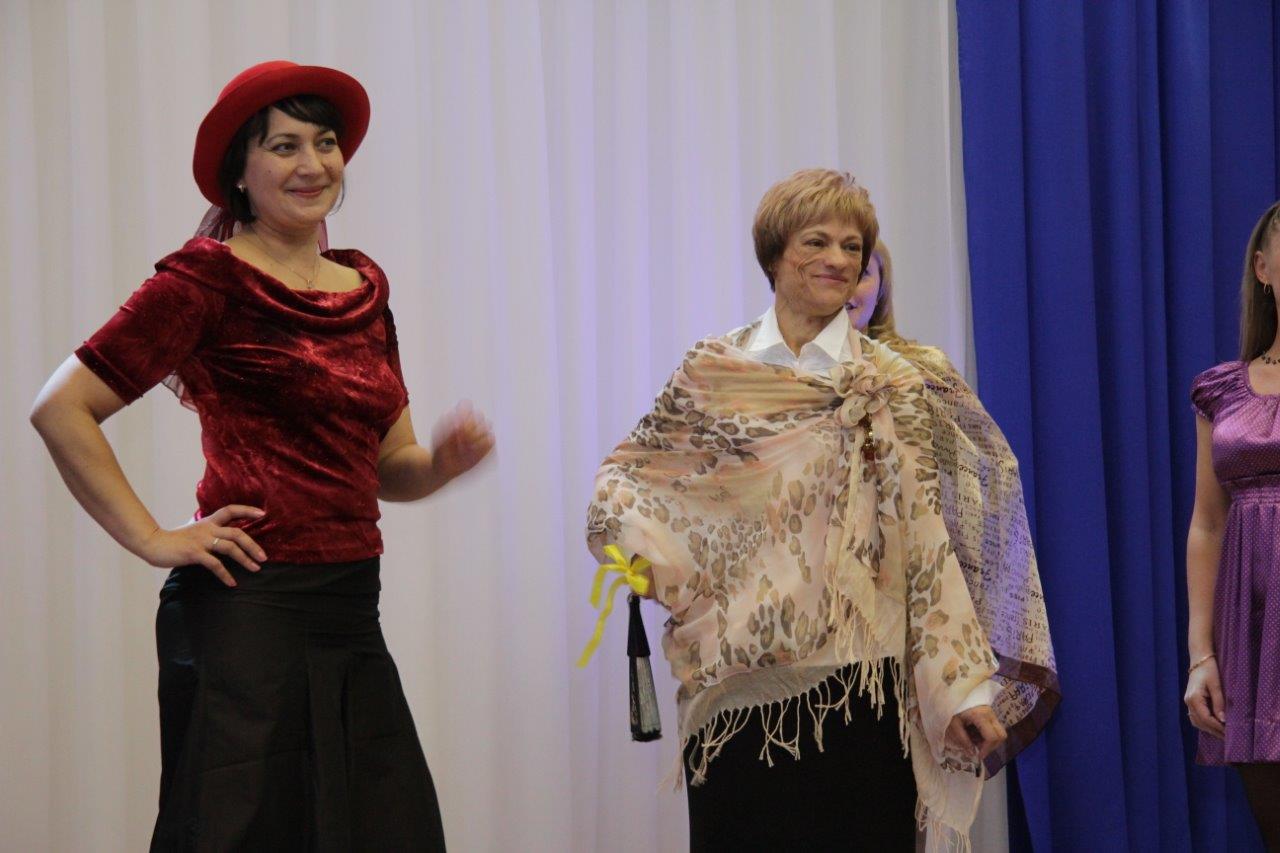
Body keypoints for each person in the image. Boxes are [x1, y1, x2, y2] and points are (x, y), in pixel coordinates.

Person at [28, 61, 492, 850]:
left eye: (325, 142)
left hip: (351, 608)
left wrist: (440, 465)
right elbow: (60, 407)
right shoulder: (205, 279)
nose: (313, 163)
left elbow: (391, 466)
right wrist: (152, 537)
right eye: (284, 146)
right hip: (246, 612)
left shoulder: (363, 288)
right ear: (239, 174)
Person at [585, 170, 1005, 851]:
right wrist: (643, 554)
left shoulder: (892, 382)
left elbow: (927, 539)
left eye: (852, 246)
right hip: (735, 688)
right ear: (775, 255)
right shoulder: (714, 371)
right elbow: (631, 474)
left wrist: (963, 690)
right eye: (817, 241)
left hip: (862, 689)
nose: (838, 259)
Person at [850, 240, 1060, 774]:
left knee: (902, 776)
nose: (848, 284)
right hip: (822, 617)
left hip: (913, 600)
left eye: (862, 272)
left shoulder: (921, 372)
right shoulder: (778, 380)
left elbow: (990, 473)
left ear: (882, 285)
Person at [1186, 200, 1280, 848]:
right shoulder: (1221, 390)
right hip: (1253, 640)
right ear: (1264, 268)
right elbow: (1208, 524)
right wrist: (1202, 656)